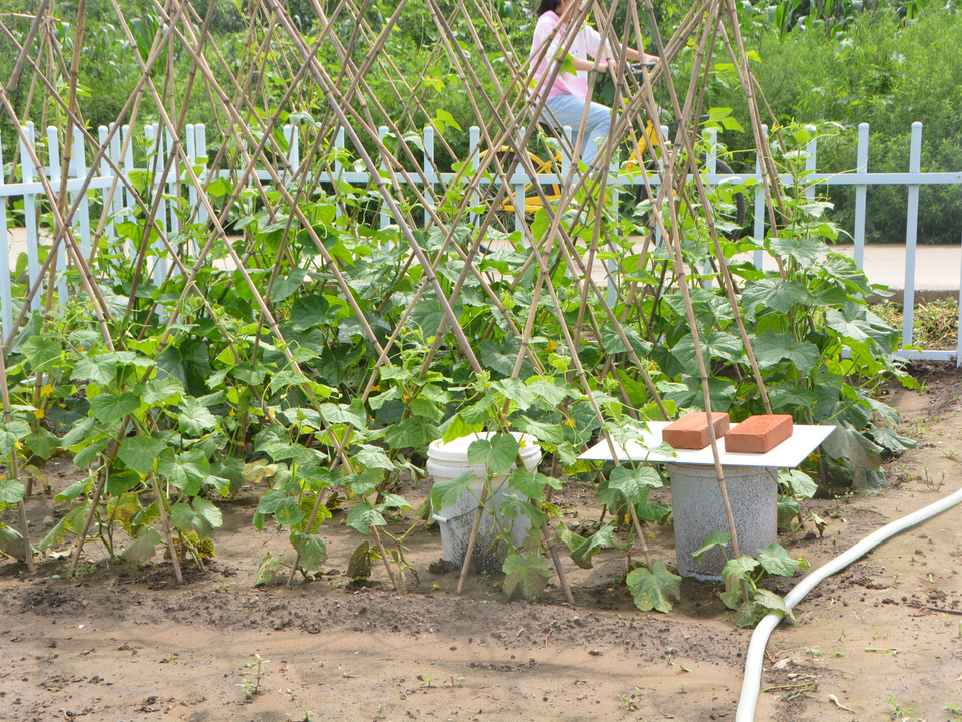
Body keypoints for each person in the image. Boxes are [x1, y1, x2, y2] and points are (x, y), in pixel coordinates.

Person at [529, 0, 658, 168]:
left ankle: (582, 183)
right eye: (580, 2)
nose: (583, 6)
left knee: (600, 148)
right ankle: (585, 185)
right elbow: (560, 59)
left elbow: (608, 45)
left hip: (570, 102)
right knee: (609, 119)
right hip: (549, 101)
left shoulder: (578, 27)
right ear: (565, 1)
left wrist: (644, 57)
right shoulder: (547, 23)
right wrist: (600, 66)